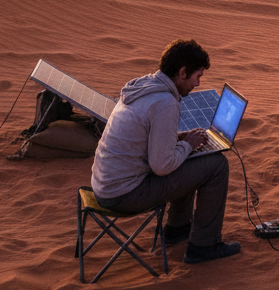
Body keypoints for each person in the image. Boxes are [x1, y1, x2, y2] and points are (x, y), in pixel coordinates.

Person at [90, 39, 241, 265]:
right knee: (216, 165)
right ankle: (204, 246)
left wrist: (182, 141)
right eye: (197, 76)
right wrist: (187, 145)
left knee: (191, 157)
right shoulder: (165, 102)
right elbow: (162, 166)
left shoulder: (144, 88)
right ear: (182, 72)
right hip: (123, 194)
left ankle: (177, 229)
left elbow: (148, 143)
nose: (198, 83)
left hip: (105, 185)